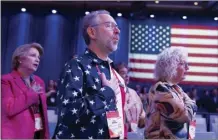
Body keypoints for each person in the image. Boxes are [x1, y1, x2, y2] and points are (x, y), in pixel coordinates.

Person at [53, 10, 127, 139]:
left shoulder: (112, 71)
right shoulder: (76, 65)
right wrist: (106, 92)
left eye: (117, 27)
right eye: (109, 25)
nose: (117, 31)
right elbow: (68, 113)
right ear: (92, 32)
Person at [144, 47, 197, 139]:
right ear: (171, 66)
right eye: (184, 64)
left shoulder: (174, 88)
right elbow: (186, 116)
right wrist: (192, 103)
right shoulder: (161, 89)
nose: (187, 68)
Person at [1, 43, 50, 139]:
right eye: (33, 55)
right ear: (19, 59)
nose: (37, 59)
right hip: (17, 135)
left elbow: (42, 112)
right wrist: (32, 94)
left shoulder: (39, 82)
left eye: (39, 57)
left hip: (38, 134)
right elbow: (9, 109)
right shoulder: (6, 81)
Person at [115, 62, 145, 132]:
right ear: (115, 75)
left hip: (132, 133)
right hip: (117, 132)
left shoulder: (133, 93)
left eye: (127, 73)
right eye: (123, 73)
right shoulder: (112, 92)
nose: (127, 76)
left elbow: (142, 115)